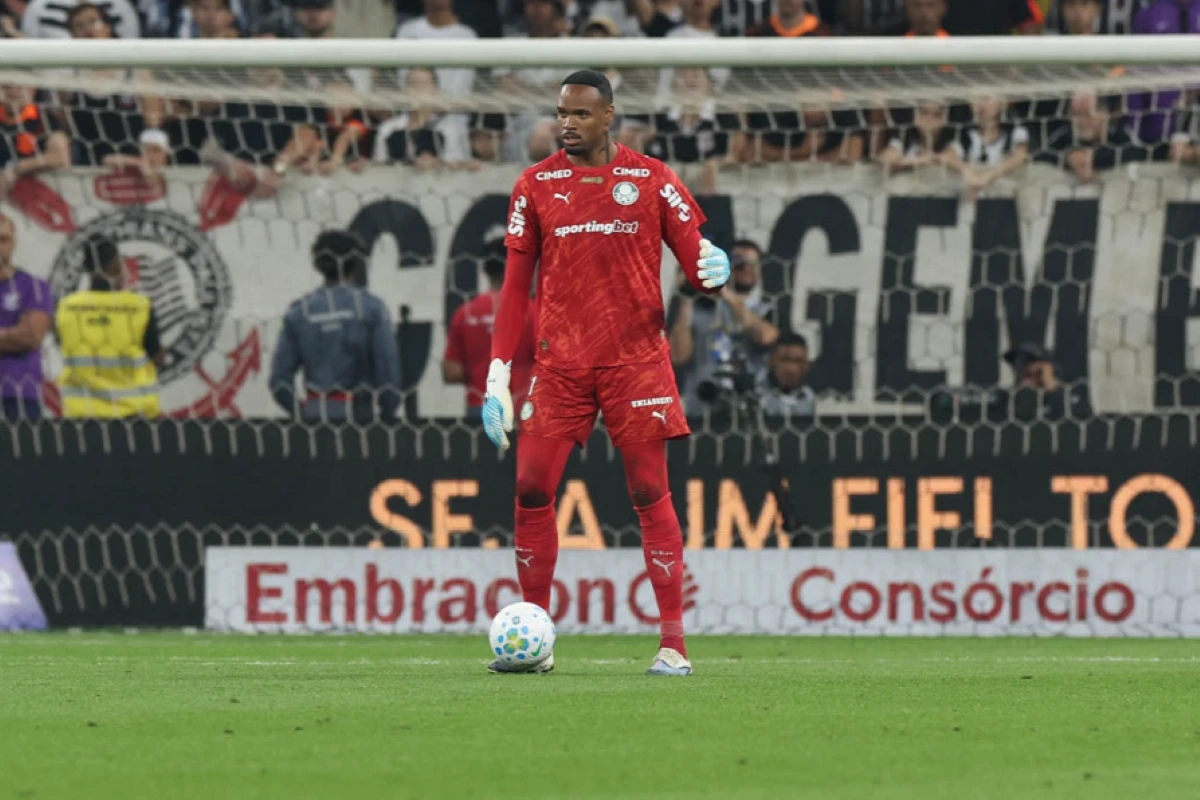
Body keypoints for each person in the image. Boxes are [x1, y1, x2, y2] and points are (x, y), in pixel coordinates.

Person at [483, 69, 730, 676]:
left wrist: (713, 272)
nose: (567, 124)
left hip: (636, 362)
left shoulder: (652, 179)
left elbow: (697, 266)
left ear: (608, 116)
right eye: (561, 113)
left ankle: (673, 645)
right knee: (530, 486)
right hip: (560, 363)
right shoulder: (534, 185)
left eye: (581, 114)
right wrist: (497, 375)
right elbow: (515, 289)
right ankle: (537, 642)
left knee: (647, 490)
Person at [269, 229, 401, 423]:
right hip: (359, 415)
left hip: (315, 413)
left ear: (317, 265)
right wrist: (387, 413)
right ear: (356, 263)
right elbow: (387, 370)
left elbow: (279, 380)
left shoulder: (299, 312)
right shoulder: (371, 308)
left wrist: (301, 414)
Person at [56, 234, 163, 418]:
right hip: (133, 413)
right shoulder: (138, 306)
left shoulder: (67, 307)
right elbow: (156, 357)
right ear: (114, 266)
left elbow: (65, 346)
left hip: (82, 414)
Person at [670, 239, 779, 415]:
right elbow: (677, 356)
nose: (745, 267)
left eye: (752, 263)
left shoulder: (765, 310)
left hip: (750, 410)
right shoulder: (699, 310)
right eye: (738, 262)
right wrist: (686, 296)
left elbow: (765, 337)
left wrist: (726, 294)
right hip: (703, 408)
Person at [443, 239, 536, 419]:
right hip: (522, 409)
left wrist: (480, 370)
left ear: (485, 270)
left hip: (480, 408)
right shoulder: (532, 312)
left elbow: (451, 372)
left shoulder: (466, 313)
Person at [0, 214, 53, 421]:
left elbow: (31, 337)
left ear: (13, 243)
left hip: (18, 395)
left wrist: (19, 336)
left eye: (3, 239)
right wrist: (10, 334)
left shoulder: (34, 286)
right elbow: (19, 336)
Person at [999, 340, 1092, 420]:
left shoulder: (1068, 397)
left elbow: (1071, 420)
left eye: (1027, 361)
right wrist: (1023, 394)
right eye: (1017, 363)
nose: (1021, 368)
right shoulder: (1006, 397)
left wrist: (1051, 388)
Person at [757, 333, 816, 418]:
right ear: (771, 361)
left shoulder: (815, 399)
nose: (791, 368)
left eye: (798, 361)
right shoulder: (755, 394)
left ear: (807, 365)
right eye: (784, 360)